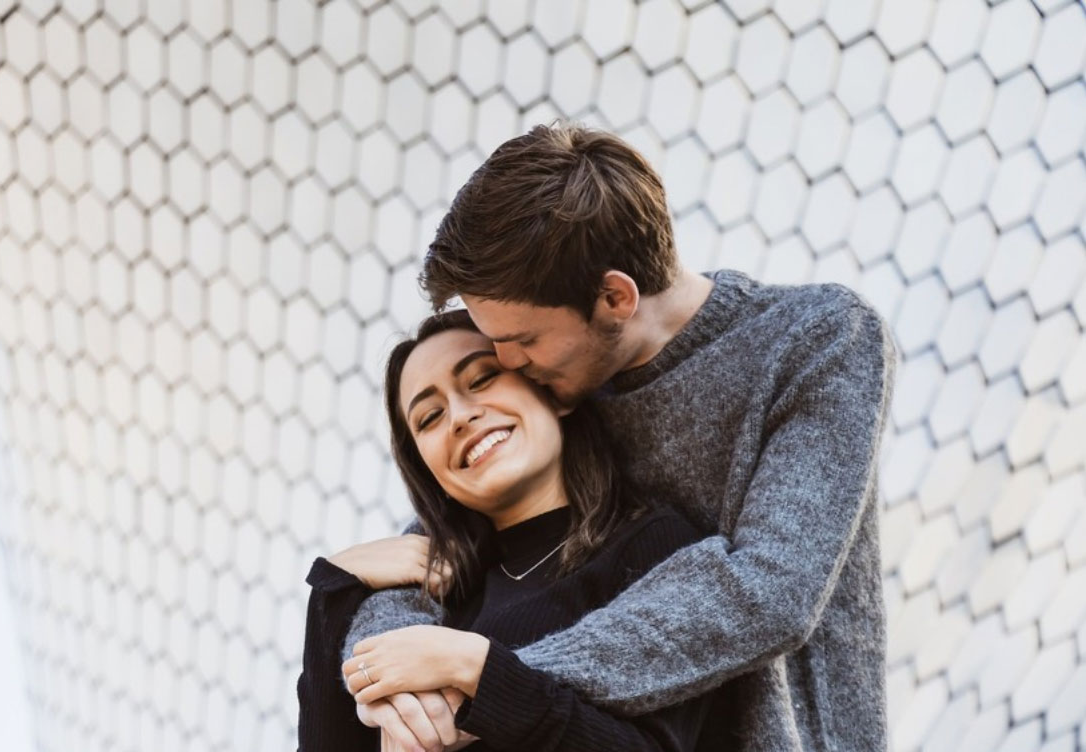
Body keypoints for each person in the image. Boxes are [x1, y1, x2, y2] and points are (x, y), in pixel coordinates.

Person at [340, 123, 897, 752]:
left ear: (614, 297)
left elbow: (769, 592)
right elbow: (436, 551)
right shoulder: (561, 379)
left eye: (521, 341)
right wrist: (397, 680)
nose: (508, 365)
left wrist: (492, 681)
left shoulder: (817, 340)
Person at [297, 310, 716, 751]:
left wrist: (479, 672)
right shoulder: (432, 596)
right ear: (425, 468)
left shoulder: (654, 545)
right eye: (429, 417)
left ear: (554, 392)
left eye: (481, 379)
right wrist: (335, 587)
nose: (459, 416)